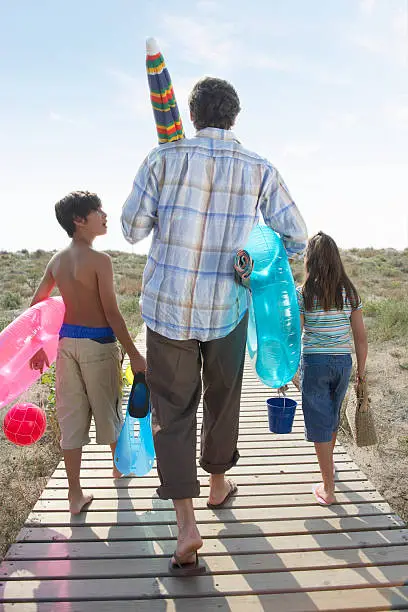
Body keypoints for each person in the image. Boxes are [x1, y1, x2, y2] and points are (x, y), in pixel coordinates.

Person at [121, 77, 308, 575]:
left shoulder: (161, 158)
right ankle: (219, 484)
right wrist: (251, 262)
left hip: (167, 311)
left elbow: (133, 229)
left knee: (173, 411)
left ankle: (185, 526)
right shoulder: (259, 167)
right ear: (234, 117)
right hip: (227, 308)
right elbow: (296, 237)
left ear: (193, 112)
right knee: (223, 399)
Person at [29, 190, 146, 515]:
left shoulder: (58, 260)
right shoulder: (100, 261)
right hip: (98, 345)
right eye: (97, 210)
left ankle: (75, 494)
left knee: (72, 418)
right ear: (79, 221)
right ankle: (118, 468)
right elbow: (112, 313)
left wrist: (40, 346)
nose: (104, 215)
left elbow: (36, 304)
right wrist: (135, 354)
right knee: (108, 409)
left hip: (67, 348)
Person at [296, 232, 368, 505]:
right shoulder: (349, 292)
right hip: (342, 362)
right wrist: (361, 373)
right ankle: (330, 467)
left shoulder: (304, 294)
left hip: (314, 362)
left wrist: (287, 369)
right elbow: (360, 338)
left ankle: (328, 488)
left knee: (319, 423)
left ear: (311, 261)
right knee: (332, 417)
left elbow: (296, 335)